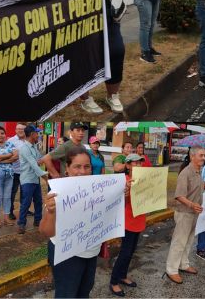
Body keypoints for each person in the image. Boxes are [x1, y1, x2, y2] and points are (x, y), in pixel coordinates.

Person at [44, 0, 125, 113]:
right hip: (74, 25)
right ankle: (85, 98)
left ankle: (112, 95)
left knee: (116, 52)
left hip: (104, 19)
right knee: (79, 59)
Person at [39, 147, 99, 298]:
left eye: (87, 167)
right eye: (77, 166)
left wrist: (122, 195)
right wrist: (51, 212)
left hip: (91, 251)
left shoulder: (99, 189)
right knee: (66, 294)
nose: (83, 171)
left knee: (84, 291)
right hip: (67, 254)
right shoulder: (58, 193)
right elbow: (46, 232)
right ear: (67, 169)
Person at [164, 146, 205, 284]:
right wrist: (192, 205)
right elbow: (179, 196)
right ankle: (171, 270)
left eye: (204, 155)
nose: (203, 158)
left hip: (194, 213)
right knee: (179, 242)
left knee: (189, 241)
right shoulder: (185, 173)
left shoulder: (199, 172)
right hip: (185, 213)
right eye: (201, 155)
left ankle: (183, 264)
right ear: (192, 156)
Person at [110, 154, 146, 296]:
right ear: (128, 165)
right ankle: (113, 282)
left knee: (131, 251)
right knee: (124, 253)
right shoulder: (124, 180)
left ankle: (123, 276)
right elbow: (118, 203)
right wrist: (126, 192)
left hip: (139, 220)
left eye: (140, 163)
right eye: (135, 163)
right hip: (128, 222)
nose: (138, 166)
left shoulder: (144, 180)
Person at [16, 125, 47, 234]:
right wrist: (46, 177)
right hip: (27, 180)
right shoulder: (24, 148)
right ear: (32, 134)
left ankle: (38, 220)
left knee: (38, 201)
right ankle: (21, 223)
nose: (38, 135)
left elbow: (40, 159)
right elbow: (35, 165)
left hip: (34, 179)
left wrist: (41, 160)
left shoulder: (34, 147)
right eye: (37, 133)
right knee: (26, 202)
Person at [7, 123, 27, 221]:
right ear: (15, 130)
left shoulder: (29, 140)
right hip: (14, 171)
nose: (20, 130)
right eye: (18, 129)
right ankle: (10, 211)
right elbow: (6, 154)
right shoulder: (10, 141)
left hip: (26, 172)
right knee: (12, 192)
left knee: (25, 193)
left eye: (22, 129)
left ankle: (24, 210)